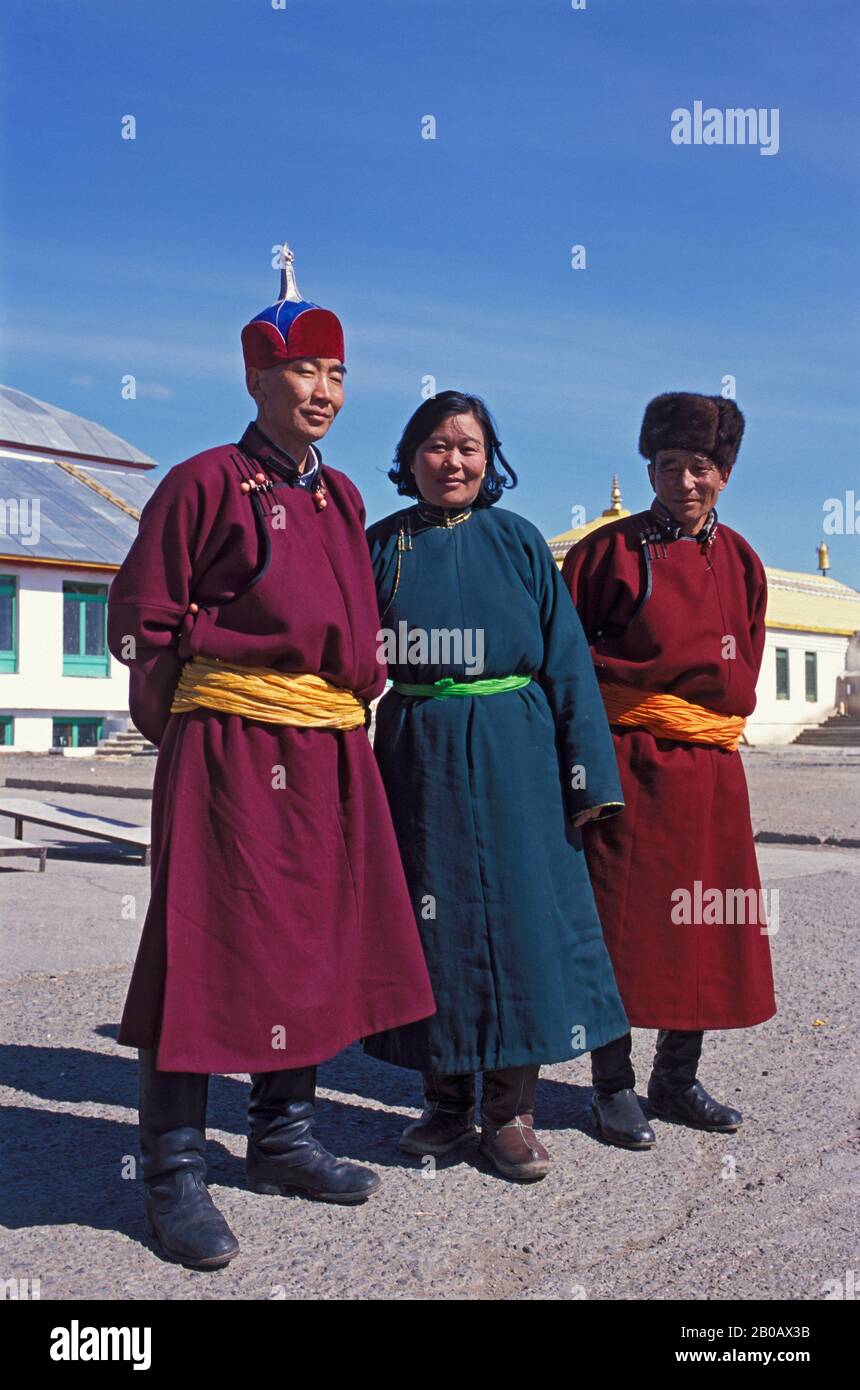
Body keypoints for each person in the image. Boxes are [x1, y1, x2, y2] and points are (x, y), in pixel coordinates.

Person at [107, 245, 434, 1268]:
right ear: (256, 378)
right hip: (231, 748)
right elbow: (140, 623)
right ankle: (170, 1172)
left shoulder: (341, 500)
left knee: (309, 939)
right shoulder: (204, 481)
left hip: (329, 749)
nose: (323, 390)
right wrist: (199, 721)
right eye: (303, 372)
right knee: (206, 943)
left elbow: (358, 637)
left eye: (336, 374)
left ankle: (281, 1137)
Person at [363, 391, 630, 1181]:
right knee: (431, 924)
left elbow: (570, 666)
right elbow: (338, 656)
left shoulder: (520, 545)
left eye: (469, 447)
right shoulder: (380, 546)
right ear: (410, 460)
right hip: (417, 748)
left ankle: (510, 1110)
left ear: (491, 460)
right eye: (438, 447)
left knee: (522, 930)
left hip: (517, 750)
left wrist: (587, 777)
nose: (454, 461)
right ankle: (446, 1104)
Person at [562, 392, 776, 1149]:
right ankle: (611, 1086)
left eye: (703, 468)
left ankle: (676, 1077)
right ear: (648, 467)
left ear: (725, 474)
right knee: (622, 925)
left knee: (703, 925)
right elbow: (565, 671)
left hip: (712, 770)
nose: (686, 482)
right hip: (630, 764)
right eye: (670, 466)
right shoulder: (606, 553)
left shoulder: (744, 560)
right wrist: (581, 774)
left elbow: (741, 664)